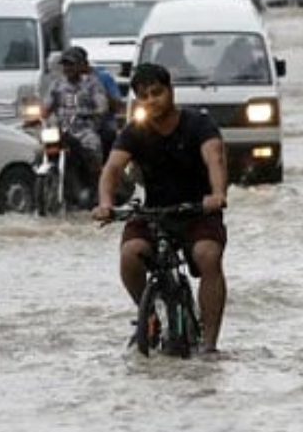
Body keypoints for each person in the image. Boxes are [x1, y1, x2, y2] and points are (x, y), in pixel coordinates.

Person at [91, 62, 229, 354]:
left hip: (197, 211)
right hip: (154, 212)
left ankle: (209, 343)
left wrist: (217, 194)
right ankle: (149, 314)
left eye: (157, 92)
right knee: (130, 254)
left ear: (171, 92)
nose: (151, 100)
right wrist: (105, 204)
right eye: (144, 96)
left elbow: (214, 158)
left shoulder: (198, 123)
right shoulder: (134, 131)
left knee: (208, 255)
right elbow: (113, 168)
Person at [40, 45, 110, 207]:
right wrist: (39, 115)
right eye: (65, 64)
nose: (67, 68)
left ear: (80, 65)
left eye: (71, 64)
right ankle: (44, 186)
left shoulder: (92, 83)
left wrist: (95, 111)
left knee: (93, 150)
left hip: (84, 130)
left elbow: (102, 105)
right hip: (60, 131)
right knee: (38, 152)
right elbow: (46, 107)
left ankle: (96, 190)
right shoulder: (56, 84)